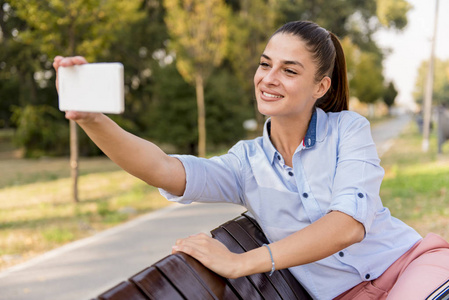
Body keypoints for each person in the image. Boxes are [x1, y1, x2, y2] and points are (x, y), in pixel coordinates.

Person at [53, 21, 449, 300]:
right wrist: (92, 119)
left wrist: (243, 263)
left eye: (289, 70)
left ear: (320, 86)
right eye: (265, 64)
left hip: (410, 265)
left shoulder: (349, 129)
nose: (269, 77)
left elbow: (347, 226)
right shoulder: (246, 162)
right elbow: (163, 169)